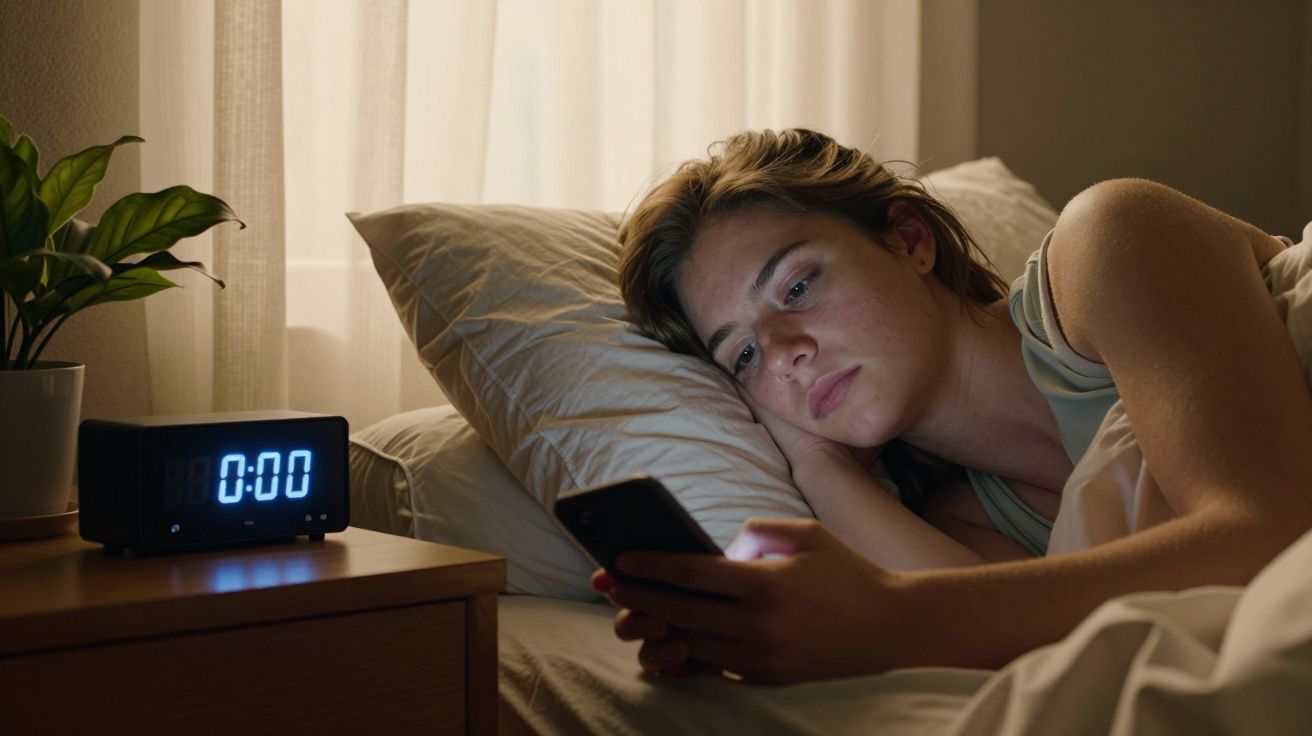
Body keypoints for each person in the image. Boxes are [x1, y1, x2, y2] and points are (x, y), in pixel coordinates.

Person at [596, 127, 1312, 684]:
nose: (783, 352)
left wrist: (886, 617)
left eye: (796, 287)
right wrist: (815, 463)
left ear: (911, 241)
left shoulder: (1108, 244)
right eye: (743, 356)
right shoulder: (965, 522)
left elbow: (1269, 533)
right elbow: (1011, 647)